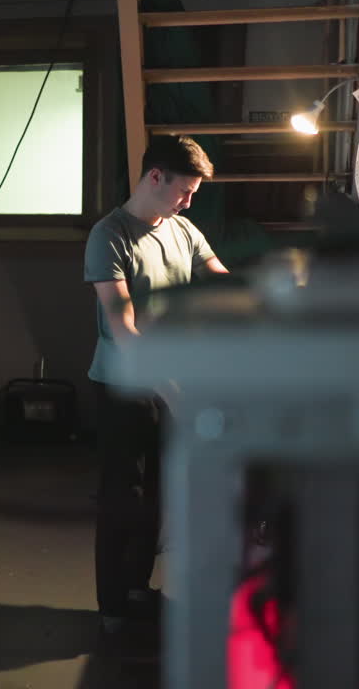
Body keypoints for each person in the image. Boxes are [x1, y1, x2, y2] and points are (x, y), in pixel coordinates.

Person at [83, 134, 228, 650]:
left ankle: (139, 587)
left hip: (173, 383)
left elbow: (220, 282)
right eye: (184, 192)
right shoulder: (110, 236)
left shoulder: (183, 230)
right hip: (124, 386)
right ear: (155, 178)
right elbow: (123, 329)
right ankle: (113, 606)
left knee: (163, 493)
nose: (189, 203)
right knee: (124, 497)